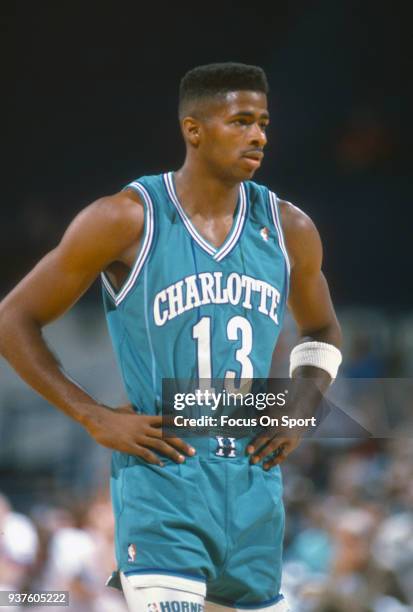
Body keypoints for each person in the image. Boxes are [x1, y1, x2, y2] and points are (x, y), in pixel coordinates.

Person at [0, 62, 342, 611]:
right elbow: (12, 319)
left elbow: (323, 327)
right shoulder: (126, 218)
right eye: (241, 121)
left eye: (264, 123)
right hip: (163, 485)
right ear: (194, 130)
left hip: (255, 491)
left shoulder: (288, 228)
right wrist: (93, 415)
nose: (258, 135)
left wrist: (303, 403)